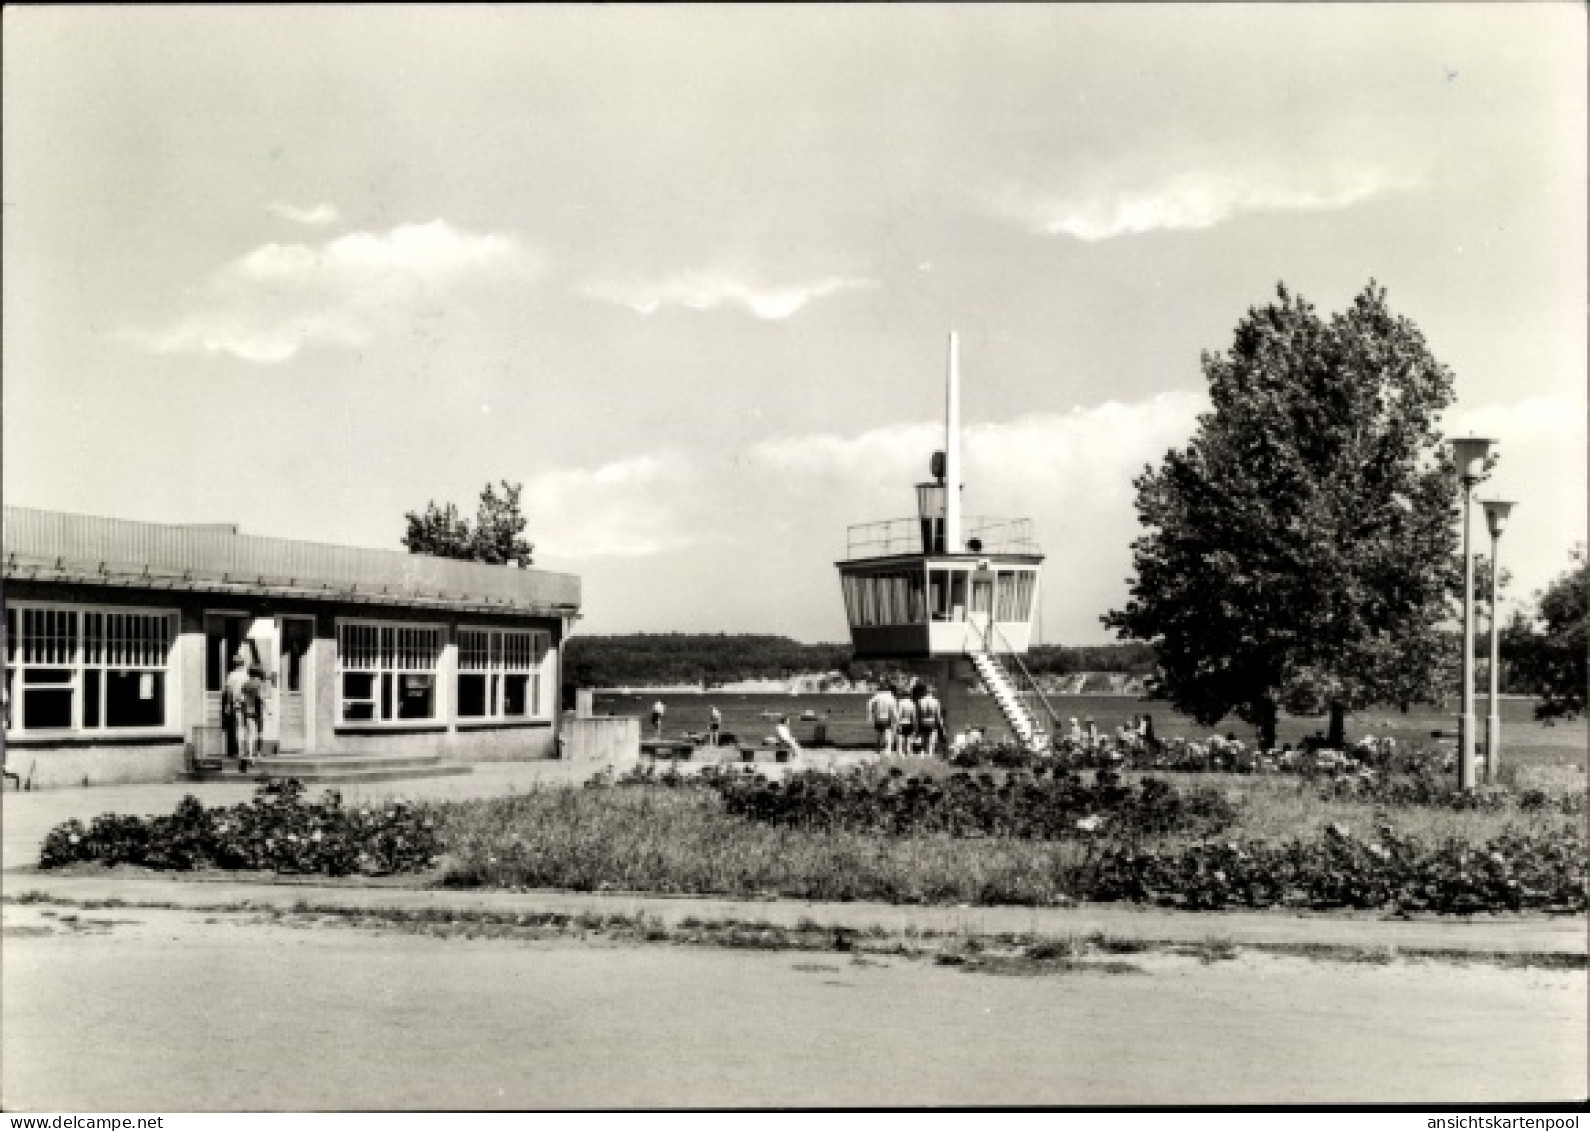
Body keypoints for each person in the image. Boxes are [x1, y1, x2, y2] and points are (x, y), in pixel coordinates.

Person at [221, 654, 251, 768]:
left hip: (236, 703)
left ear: (234, 664)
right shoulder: (246, 676)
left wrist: (228, 704)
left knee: (235, 727)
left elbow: (228, 691)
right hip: (246, 703)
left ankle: (236, 751)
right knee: (245, 727)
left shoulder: (231, 676)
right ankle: (245, 750)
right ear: (242, 664)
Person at [867, 683, 898, 755]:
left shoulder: (878, 696)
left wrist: (870, 715)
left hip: (878, 717)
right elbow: (893, 710)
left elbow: (869, 703)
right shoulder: (891, 697)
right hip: (887, 718)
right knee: (888, 732)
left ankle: (878, 748)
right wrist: (896, 719)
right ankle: (888, 749)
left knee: (879, 733)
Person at [916, 683, 945, 759]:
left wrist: (917, 726)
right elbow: (938, 716)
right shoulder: (936, 702)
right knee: (931, 737)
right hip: (932, 722)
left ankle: (922, 753)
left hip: (923, 721)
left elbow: (918, 715)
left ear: (925, 691)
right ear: (932, 692)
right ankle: (930, 753)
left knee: (923, 737)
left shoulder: (920, 701)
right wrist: (941, 726)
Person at [896, 690, 919, 757]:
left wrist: (897, 724)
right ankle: (908, 751)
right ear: (909, 695)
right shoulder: (912, 704)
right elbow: (914, 715)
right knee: (909, 738)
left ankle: (900, 752)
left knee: (901, 737)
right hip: (909, 722)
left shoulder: (901, 703)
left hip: (902, 722)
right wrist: (914, 725)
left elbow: (899, 714)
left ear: (903, 695)